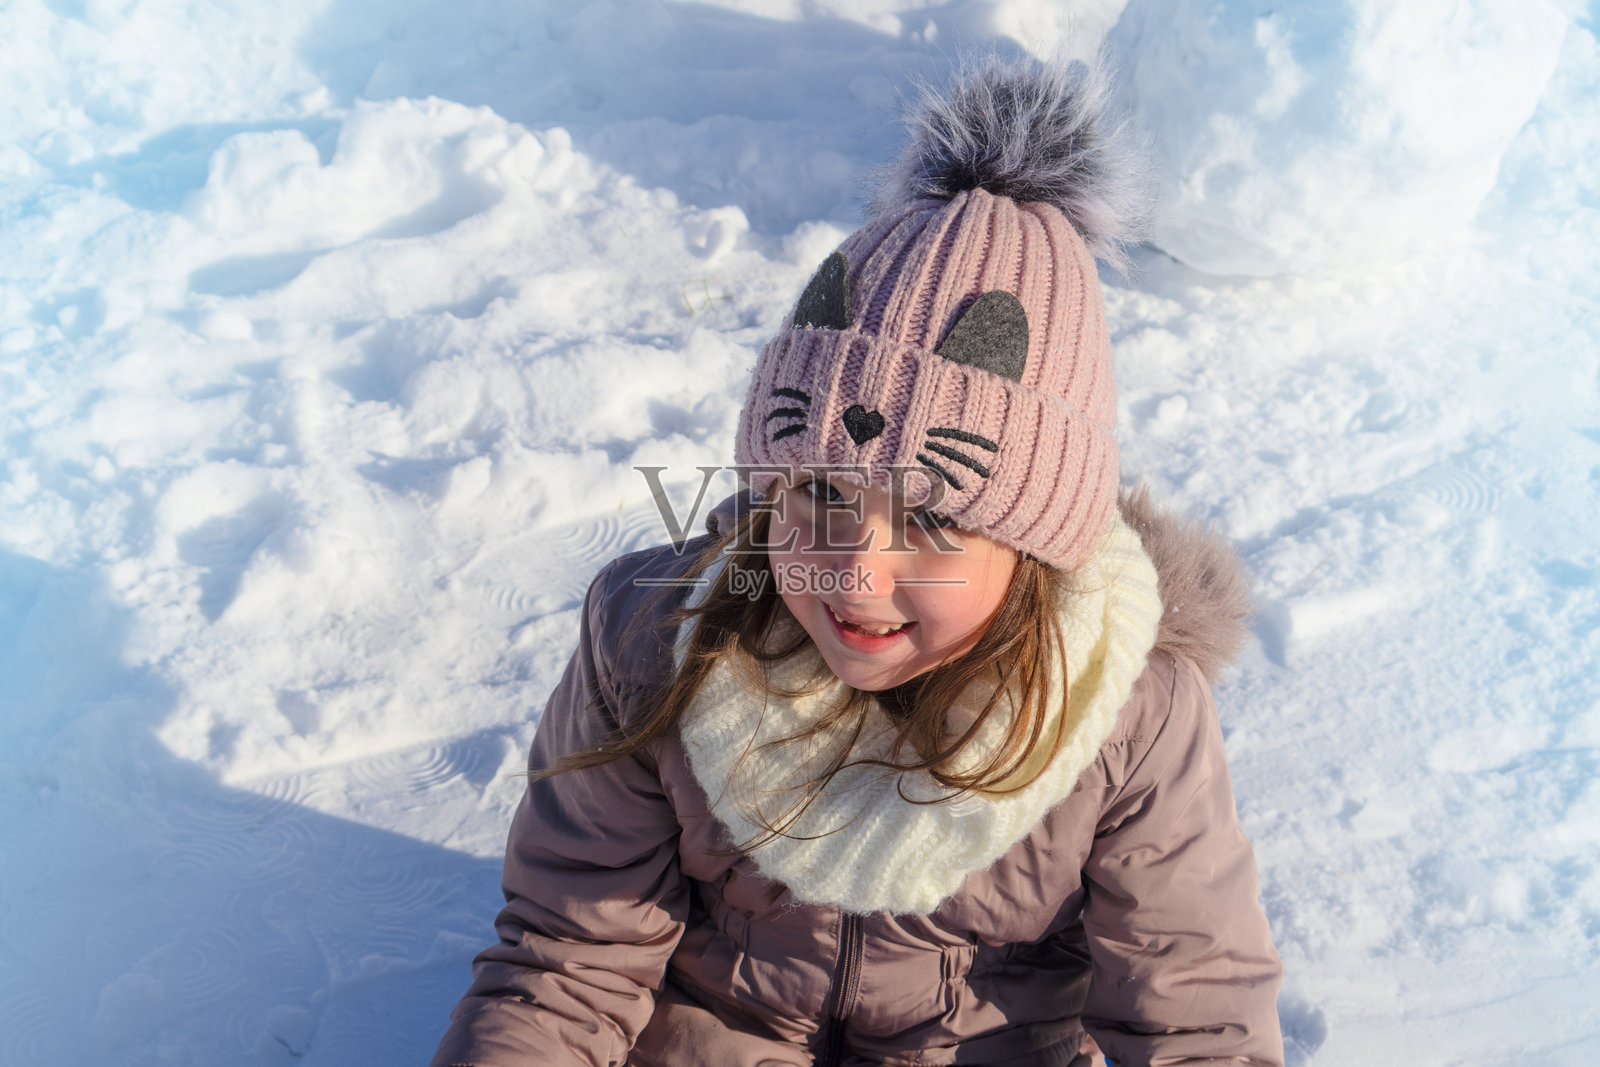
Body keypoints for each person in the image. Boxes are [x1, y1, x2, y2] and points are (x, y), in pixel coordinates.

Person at [431, 56, 1284, 1067]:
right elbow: (571, 956)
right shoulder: (654, 640)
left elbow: (1191, 1011)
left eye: (929, 520)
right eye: (821, 495)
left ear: (1035, 536)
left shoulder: (1127, 711)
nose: (854, 571)